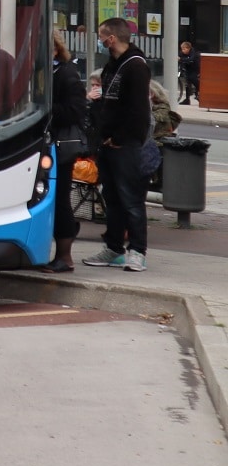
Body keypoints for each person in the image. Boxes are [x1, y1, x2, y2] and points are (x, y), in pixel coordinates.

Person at [83, 16, 152, 273]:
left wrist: (120, 138)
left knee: (131, 199)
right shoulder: (113, 65)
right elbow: (109, 104)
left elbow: (138, 111)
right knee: (112, 198)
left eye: (101, 36)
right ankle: (114, 248)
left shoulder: (135, 66)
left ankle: (137, 251)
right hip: (108, 144)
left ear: (112, 38)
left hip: (126, 146)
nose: (100, 41)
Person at [45, 36, 89, 272]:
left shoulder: (66, 74)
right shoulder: (44, 73)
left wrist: (44, 106)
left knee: (60, 197)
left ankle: (64, 256)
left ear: (55, 50)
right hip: (46, 144)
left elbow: (76, 110)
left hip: (60, 146)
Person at [177, 39, 200, 106]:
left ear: (188, 48)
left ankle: (198, 93)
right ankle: (187, 99)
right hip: (188, 69)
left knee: (194, 80)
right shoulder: (182, 53)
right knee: (187, 83)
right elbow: (179, 57)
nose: (182, 50)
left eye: (184, 49)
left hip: (195, 69)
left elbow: (191, 60)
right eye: (182, 49)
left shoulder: (194, 53)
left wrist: (181, 59)